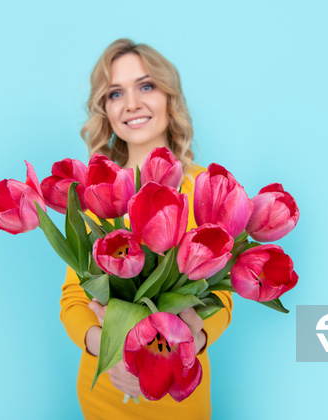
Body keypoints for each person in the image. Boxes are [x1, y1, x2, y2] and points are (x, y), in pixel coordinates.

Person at [60, 38, 233, 420]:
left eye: (146, 86)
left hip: (181, 396)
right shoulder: (97, 194)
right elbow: (74, 300)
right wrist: (102, 348)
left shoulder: (208, 189)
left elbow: (222, 296)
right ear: (105, 109)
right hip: (105, 392)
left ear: (170, 97)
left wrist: (195, 338)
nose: (132, 103)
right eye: (115, 93)